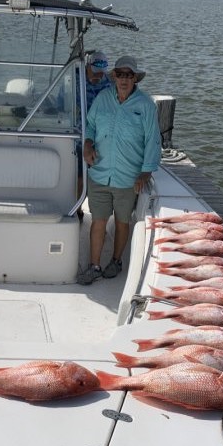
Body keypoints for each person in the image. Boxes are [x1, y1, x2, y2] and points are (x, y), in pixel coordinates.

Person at [77, 54, 161, 285]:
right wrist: (87, 144)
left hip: (128, 177)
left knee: (123, 221)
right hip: (99, 172)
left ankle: (116, 260)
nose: (124, 79)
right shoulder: (103, 98)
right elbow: (90, 126)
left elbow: (153, 141)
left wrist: (146, 172)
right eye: (120, 74)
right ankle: (94, 265)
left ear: (135, 79)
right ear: (114, 77)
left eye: (129, 75)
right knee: (99, 220)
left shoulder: (145, 105)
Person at [75, 51, 112, 221]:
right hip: (77, 134)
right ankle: (77, 209)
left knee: (99, 177)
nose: (98, 76)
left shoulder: (109, 84)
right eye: (95, 72)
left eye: (101, 73)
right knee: (79, 176)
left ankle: (98, 216)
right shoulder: (74, 80)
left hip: (101, 137)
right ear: (87, 66)